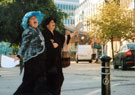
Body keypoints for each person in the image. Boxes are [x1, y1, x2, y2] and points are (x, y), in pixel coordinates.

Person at [13, 11, 48, 95]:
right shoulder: (28, 31)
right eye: (32, 18)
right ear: (28, 22)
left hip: (39, 60)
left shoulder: (37, 30)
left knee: (39, 83)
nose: (34, 19)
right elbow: (24, 44)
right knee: (28, 84)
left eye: (35, 18)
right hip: (32, 61)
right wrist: (19, 55)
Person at [41, 17, 77, 95]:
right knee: (51, 81)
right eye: (51, 22)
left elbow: (65, 38)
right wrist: (52, 45)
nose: (53, 23)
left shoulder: (56, 33)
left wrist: (73, 34)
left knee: (60, 79)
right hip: (48, 62)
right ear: (47, 24)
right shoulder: (43, 33)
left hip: (57, 62)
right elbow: (44, 45)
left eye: (54, 22)